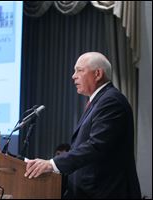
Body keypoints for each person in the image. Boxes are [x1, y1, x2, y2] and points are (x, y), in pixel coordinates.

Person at [24, 52, 141, 199]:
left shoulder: (111, 101)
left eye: (79, 70)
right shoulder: (99, 101)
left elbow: (96, 146)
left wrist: (52, 164)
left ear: (97, 74)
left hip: (107, 192)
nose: (73, 76)